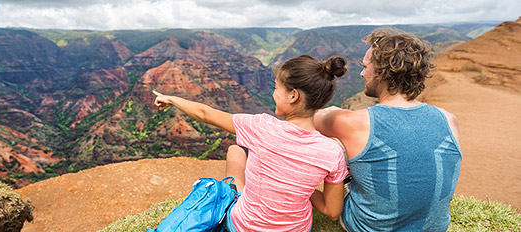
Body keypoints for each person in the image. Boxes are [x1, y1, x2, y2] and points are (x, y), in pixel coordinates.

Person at [153, 54, 349, 231]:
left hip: (243, 226)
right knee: (238, 151)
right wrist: (300, 188)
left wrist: (171, 99)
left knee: (235, 150)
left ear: (293, 95)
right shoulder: (331, 152)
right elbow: (331, 211)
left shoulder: (260, 126)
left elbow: (205, 114)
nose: (273, 94)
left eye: (276, 88)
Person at [313, 28, 462, 231]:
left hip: (367, 227)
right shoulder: (449, 119)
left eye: (366, 67)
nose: (362, 73)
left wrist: (334, 111)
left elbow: (308, 119)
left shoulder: (353, 123)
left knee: (334, 144)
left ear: (382, 72)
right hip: (434, 227)